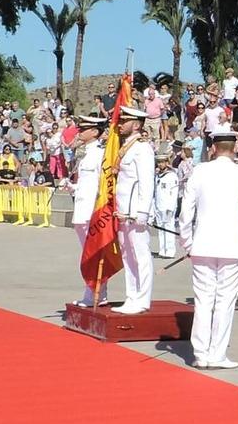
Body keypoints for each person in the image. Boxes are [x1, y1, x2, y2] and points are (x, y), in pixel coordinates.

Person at [179, 128, 238, 369]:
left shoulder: (200, 170)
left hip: (203, 244)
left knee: (203, 300)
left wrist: (187, 242)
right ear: (234, 148)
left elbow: (186, 212)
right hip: (231, 246)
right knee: (224, 301)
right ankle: (216, 354)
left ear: (213, 148)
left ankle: (201, 353)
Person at [111, 108, 156, 314]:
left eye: (124, 121)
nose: (120, 124)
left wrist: (143, 212)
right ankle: (131, 296)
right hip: (123, 212)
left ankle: (143, 299)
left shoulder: (142, 149)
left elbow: (146, 182)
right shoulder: (127, 148)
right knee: (128, 256)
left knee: (140, 255)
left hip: (134, 213)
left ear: (136, 125)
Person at [68, 114, 110, 307]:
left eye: (84, 129)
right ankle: (93, 292)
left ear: (95, 132)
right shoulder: (85, 152)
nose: (80, 132)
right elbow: (86, 183)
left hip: (92, 209)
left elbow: (101, 184)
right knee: (88, 254)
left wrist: (97, 207)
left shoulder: (100, 153)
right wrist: (72, 187)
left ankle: (96, 294)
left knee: (93, 254)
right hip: (82, 208)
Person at [154, 151, 186, 260]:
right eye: (158, 162)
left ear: (167, 162)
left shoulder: (171, 176)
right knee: (160, 228)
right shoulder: (158, 175)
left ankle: (170, 251)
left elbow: (173, 194)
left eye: (162, 162)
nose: (160, 164)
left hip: (168, 206)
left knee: (168, 227)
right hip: (158, 206)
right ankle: (162, 250)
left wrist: (171, 207)